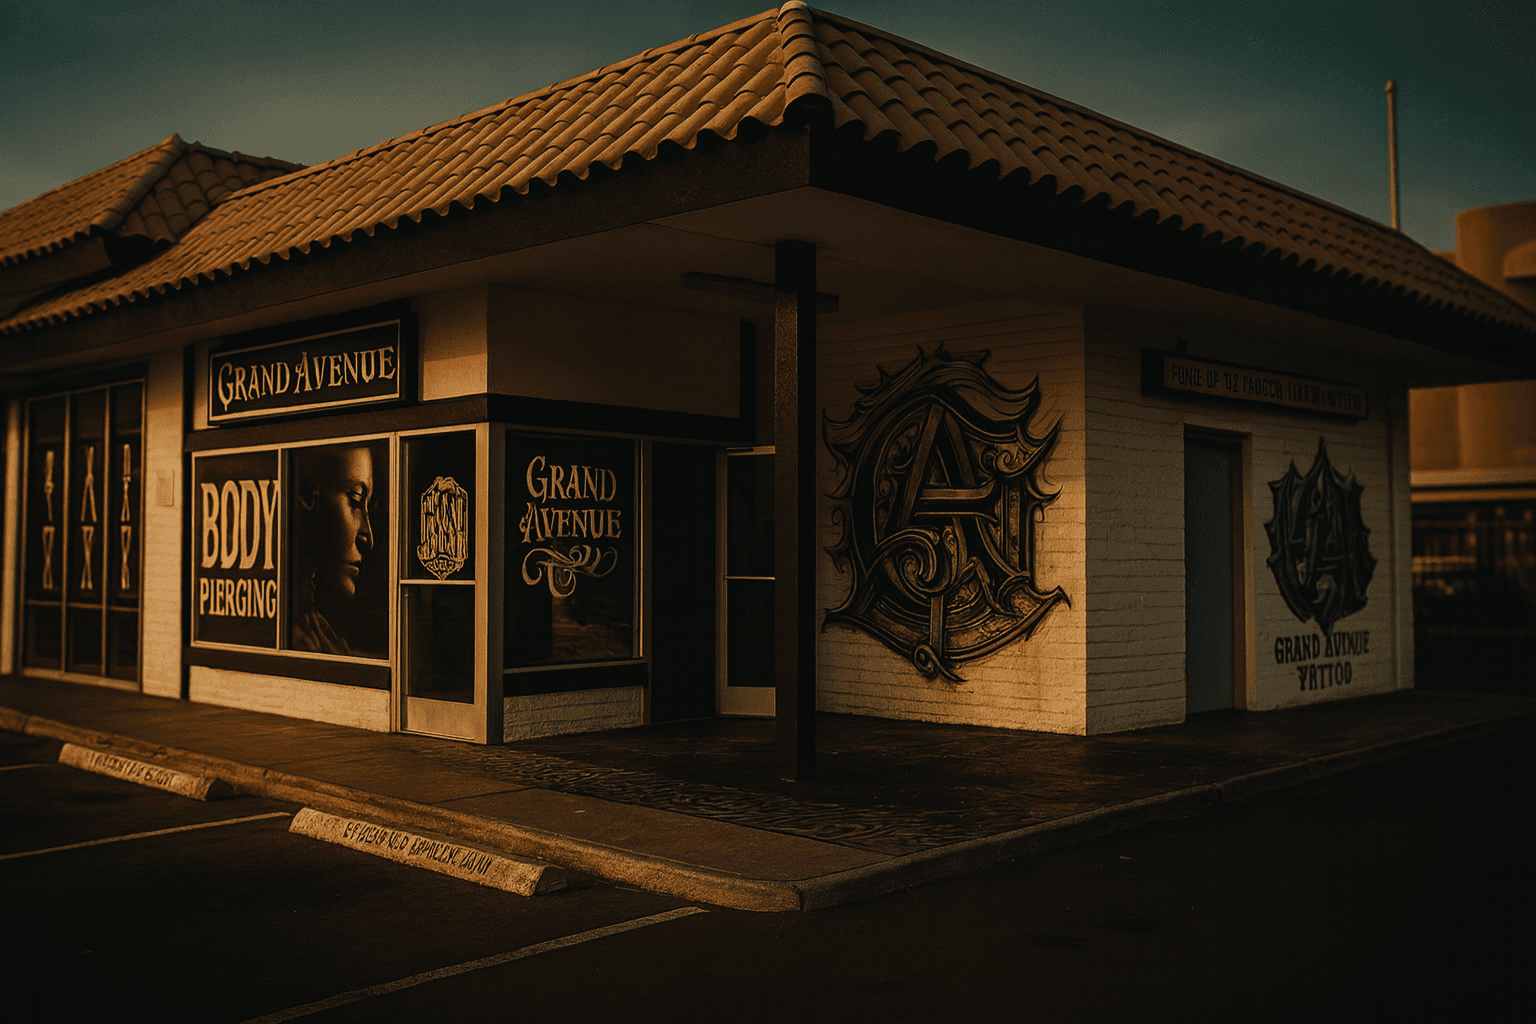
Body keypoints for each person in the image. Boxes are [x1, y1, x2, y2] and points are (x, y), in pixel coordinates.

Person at [291, 443, 378, 657]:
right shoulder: (299, 637)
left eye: (368, 507)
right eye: (355, 499)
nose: (367, 537)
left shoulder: (322, 634)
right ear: (309, 495)